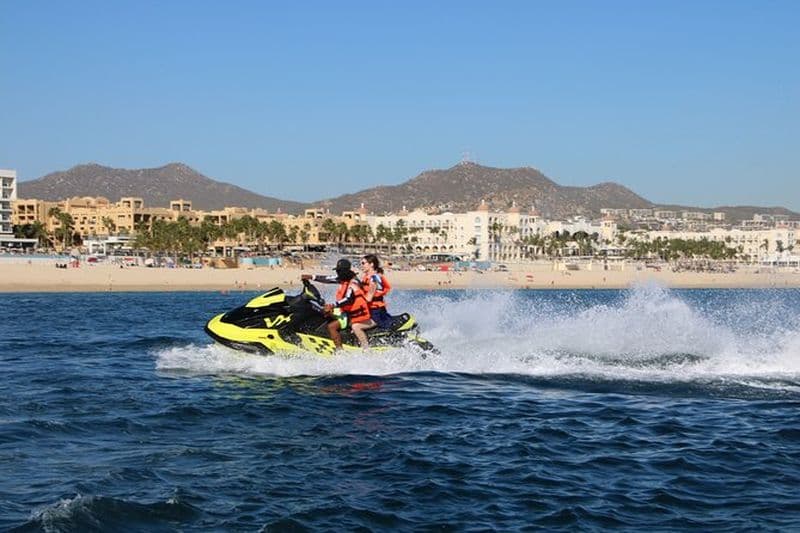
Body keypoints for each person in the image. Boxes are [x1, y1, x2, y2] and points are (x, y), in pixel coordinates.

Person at [301, 258, 375, 349]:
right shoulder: (343, 278)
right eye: (337, 271)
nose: (337, 273)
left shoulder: (354, 282)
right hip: (345, 311)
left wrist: (333, 305)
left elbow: (348, 299)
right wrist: (311, 277)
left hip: (353, 314)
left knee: (332, 327)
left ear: (344, 271)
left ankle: (339, 351)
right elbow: (327, 279)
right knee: (322, 312)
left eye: (339, 271)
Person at [360, 254, 394, 329]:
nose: (361, 265)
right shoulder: (366, 277)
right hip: (370, 308)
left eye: (363, 263)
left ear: (371, 264)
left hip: (376, 310)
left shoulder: (374, 278)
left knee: (356, 326)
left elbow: (369, 297)